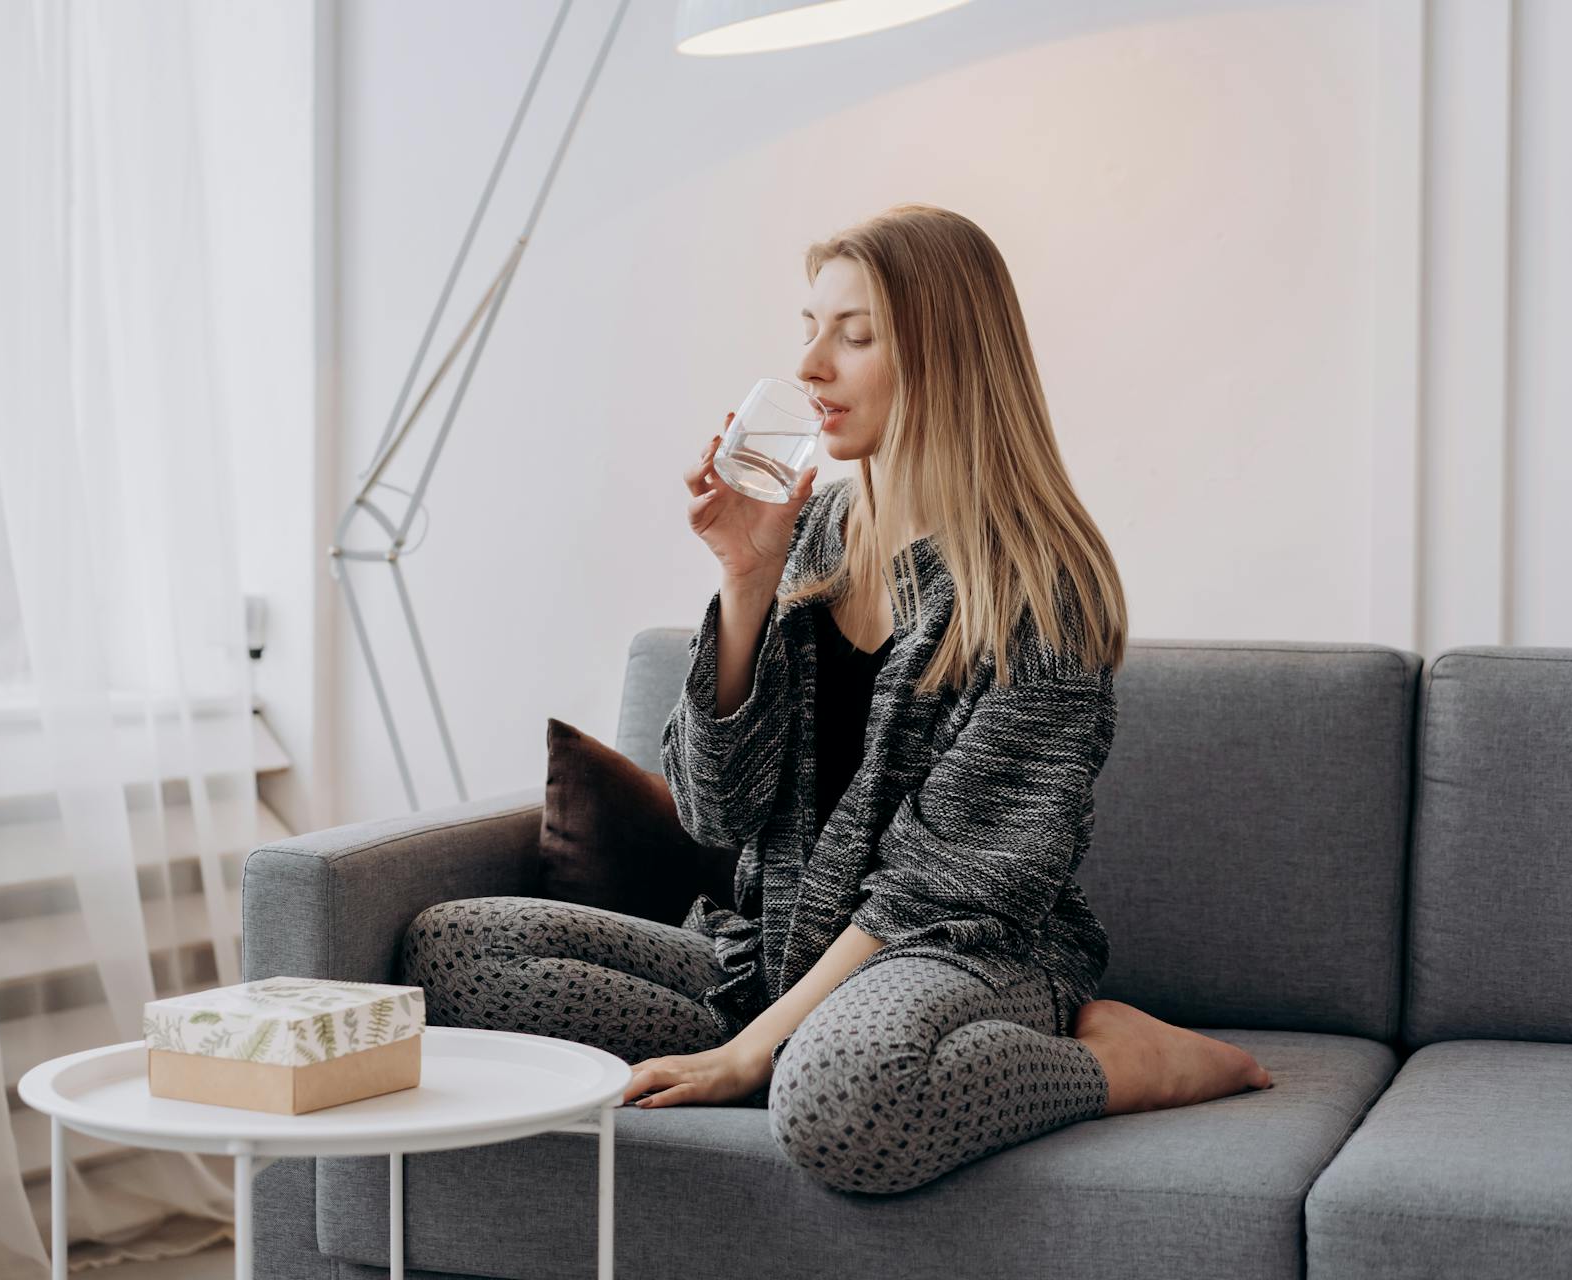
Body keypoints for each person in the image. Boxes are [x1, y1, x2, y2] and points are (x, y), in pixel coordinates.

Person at [399, 204, 1272, 1196]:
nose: (812, 365)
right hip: (773, 958)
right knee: (455, 950)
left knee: (843, 1095)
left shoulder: (1039, 587)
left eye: (853, 336)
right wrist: (744, 578)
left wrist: (752, 1052)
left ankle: (1117, 1062)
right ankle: (795, 1036)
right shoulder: (804, 534)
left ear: (944, 356)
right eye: (807, 328)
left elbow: (938, 890)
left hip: (963, 955)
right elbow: (714, 811)